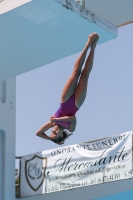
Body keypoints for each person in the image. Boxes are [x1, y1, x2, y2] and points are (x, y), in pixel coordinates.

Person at [36, 32, 99, 145]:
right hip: (77, 103)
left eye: (51, 132)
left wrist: (51, 138)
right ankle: (94, 47)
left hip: (65, 100)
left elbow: (38, 133)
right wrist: (56, 120)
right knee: (85, 76)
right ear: (61, 135)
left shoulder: (52, 123)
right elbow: (72, 118)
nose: (52, 130)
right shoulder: (70, 128)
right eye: (54, 134)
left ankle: (88, 43)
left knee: (75, 73)